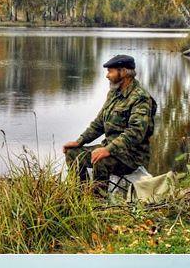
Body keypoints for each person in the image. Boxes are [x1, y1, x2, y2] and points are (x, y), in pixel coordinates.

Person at [63, 55, 157, 194]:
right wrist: (79, 141)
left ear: (124, 72)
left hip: (132, 156)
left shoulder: (141, 98)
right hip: (111, 148)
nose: (107, 76)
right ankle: (81, 196)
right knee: (73, 154)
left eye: (110, 71)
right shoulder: (114, 93)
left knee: (101, 160)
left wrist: (108, 150)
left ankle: (98, 204)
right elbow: (99, 123)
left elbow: (135, 132)